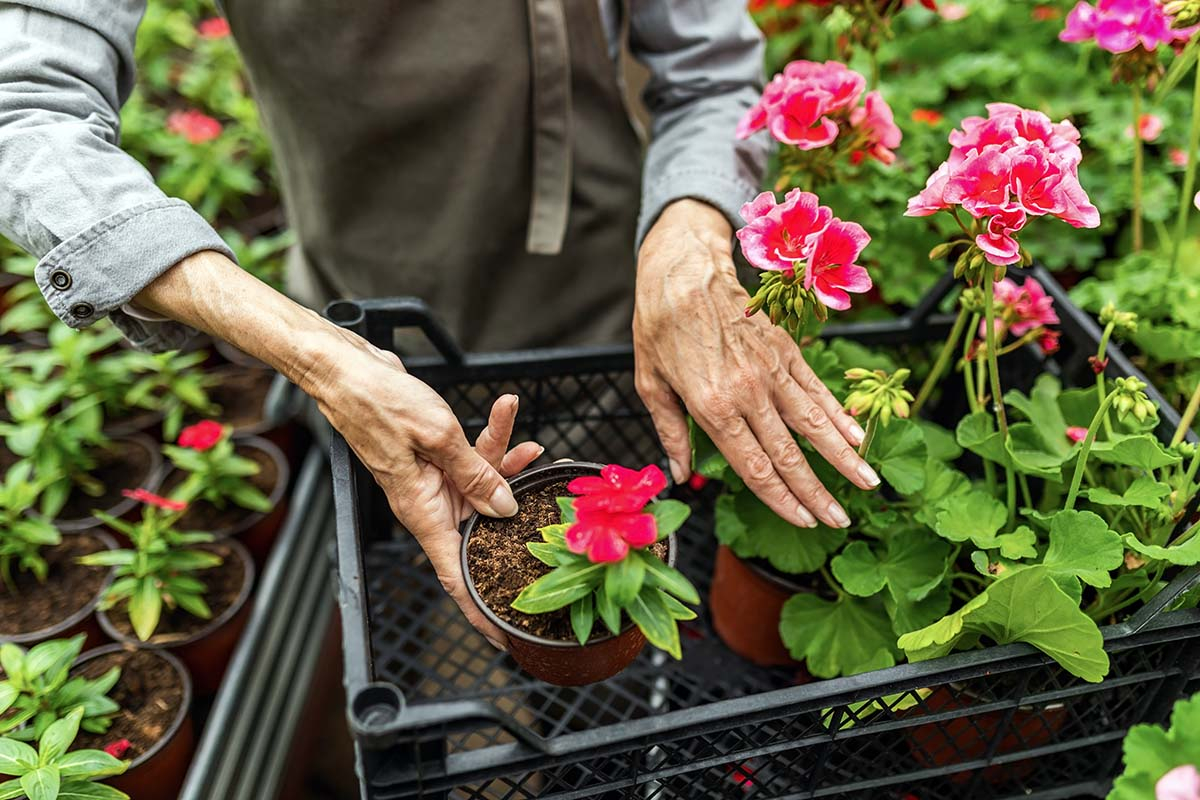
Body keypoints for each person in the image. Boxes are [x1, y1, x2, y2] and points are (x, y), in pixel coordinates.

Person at [0, 0, 880, 646]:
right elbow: (26, 109)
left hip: (610, 297)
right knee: (459, 604)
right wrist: (313, 353)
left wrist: (690, 233)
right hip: (366, 332)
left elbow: (711, 72)